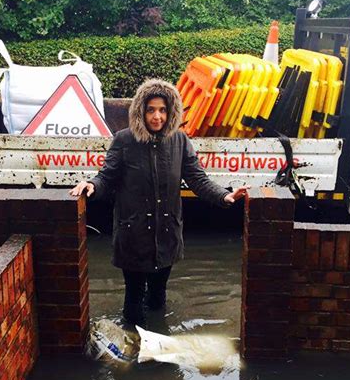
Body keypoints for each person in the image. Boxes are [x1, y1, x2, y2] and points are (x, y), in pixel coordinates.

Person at [70, 78, 248, 326]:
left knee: (157, 298)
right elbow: (107, 177)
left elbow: (197, 179)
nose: (157, 116)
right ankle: (132, 346)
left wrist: (224, 196)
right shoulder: (124, 140)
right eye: (151, 110)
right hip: (133, 235)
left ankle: (158, 344)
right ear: (140, 111)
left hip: (166, 235)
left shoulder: (180, 141)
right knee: (133, 300)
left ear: (171, 111)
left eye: (162, 110)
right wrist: (92, 185)